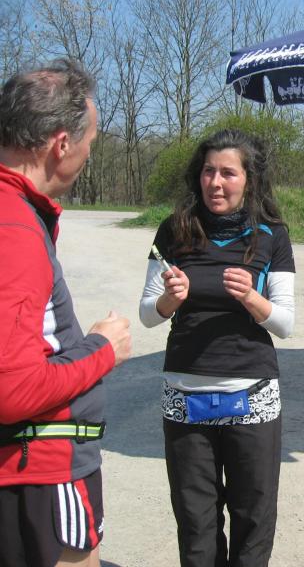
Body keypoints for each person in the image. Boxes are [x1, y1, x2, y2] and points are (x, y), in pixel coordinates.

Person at [138, 129, 295, 565]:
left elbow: (285, 323)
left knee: (253, 517)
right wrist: (169, 300)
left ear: (249, 180)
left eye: (228, 173)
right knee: (196, 523)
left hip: (252, 395)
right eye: (209, 171)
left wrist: (252, 298)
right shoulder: (173, 230)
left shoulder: (272, 235)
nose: (216, 182)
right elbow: (147, 313)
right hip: (184, 396)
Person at [0, 60, 132, 567]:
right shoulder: (14, 229)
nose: (87, 156)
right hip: (40, 475)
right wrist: (103, 350)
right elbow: (12, 390)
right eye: (89, 144)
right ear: (61, 144)